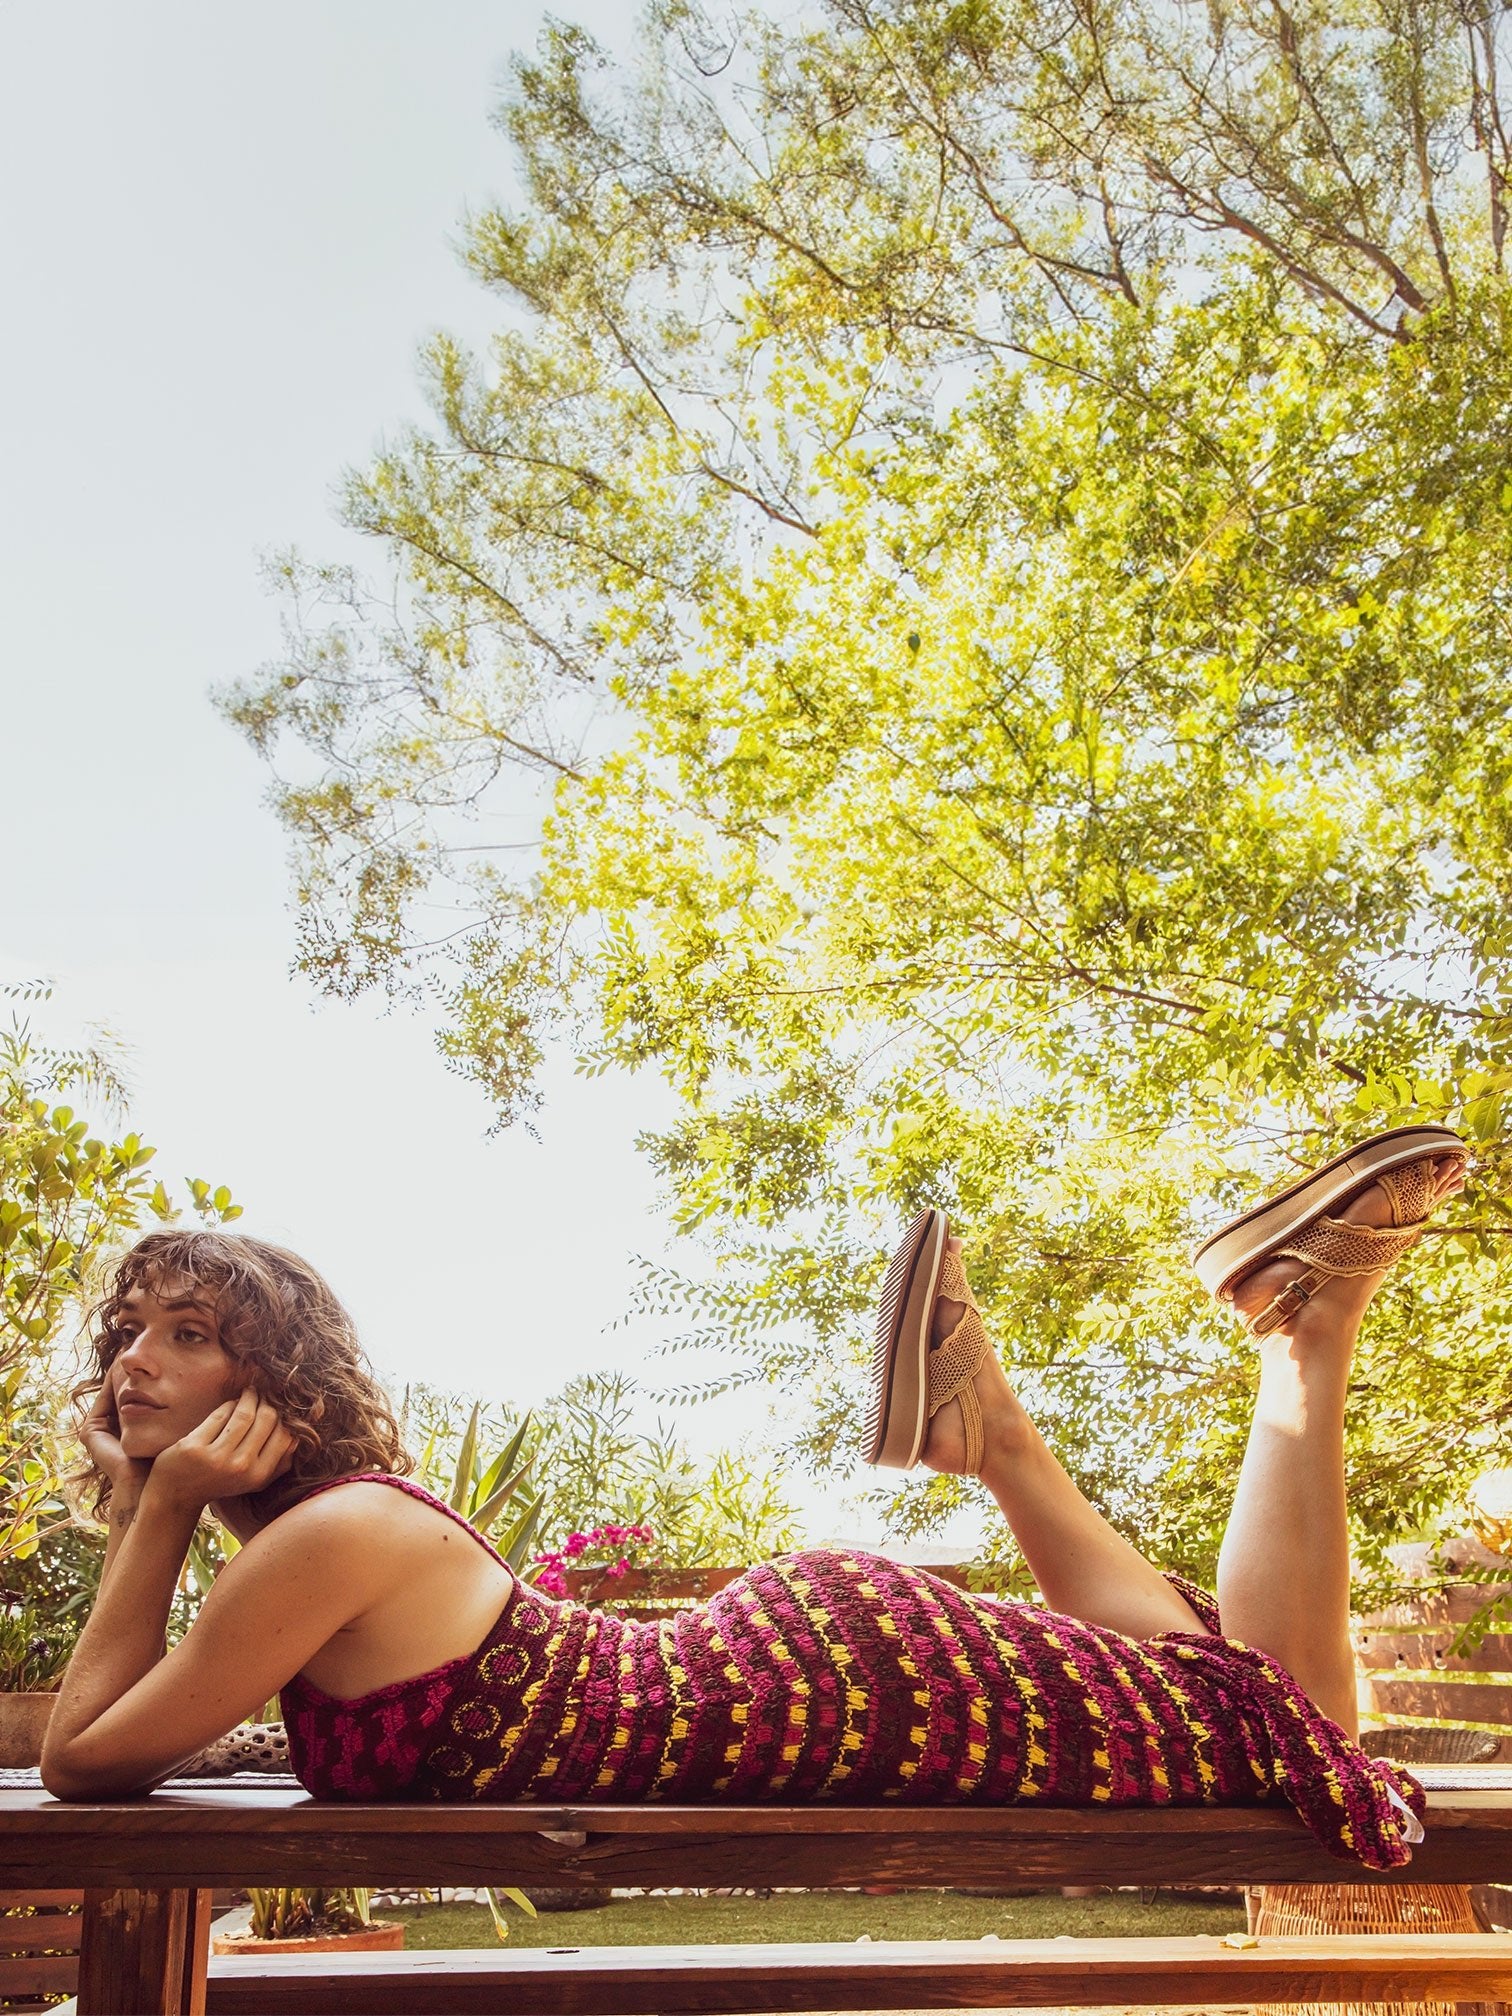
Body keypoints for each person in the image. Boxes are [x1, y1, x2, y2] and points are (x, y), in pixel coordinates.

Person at [39, 1127, 1467, 1871]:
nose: (139, 1361)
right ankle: (1041, 1418)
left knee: (1291, 1722)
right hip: (806, 1671)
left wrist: (158, 1510)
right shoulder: (333, 1535)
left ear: (272, 1375)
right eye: (131, 1334)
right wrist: (163, 1508)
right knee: (1254, 1699)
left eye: (189, 1331)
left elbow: (86, 1763)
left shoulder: (335, 1536)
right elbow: (108, 1743)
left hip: (825, 1683)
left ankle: (1297, 1332)